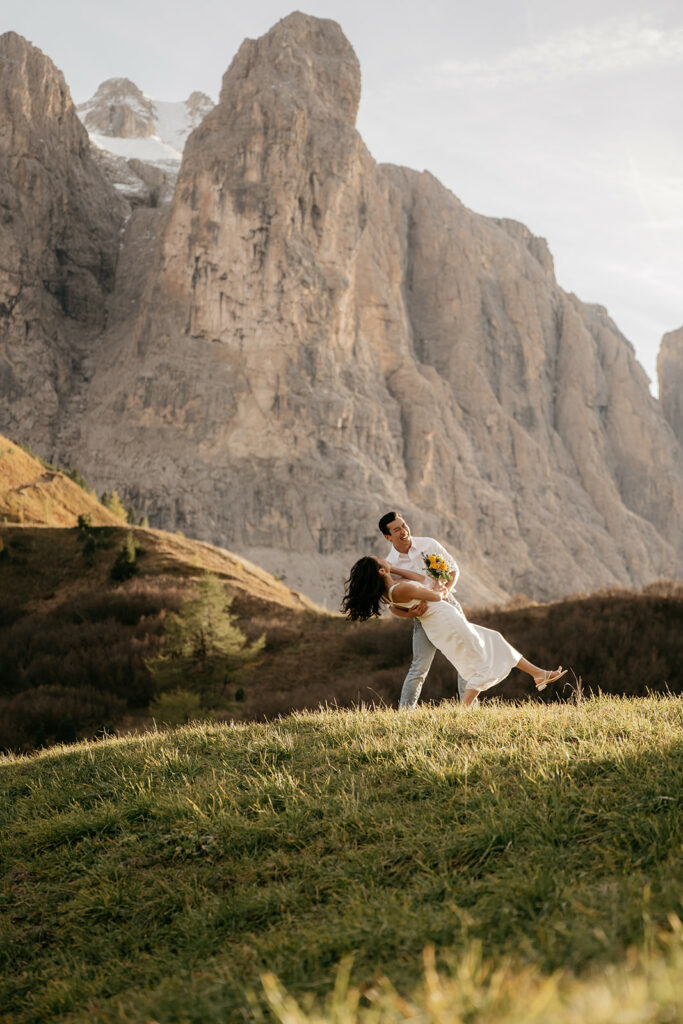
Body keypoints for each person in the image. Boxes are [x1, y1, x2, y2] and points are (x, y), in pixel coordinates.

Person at [341, 546, 567, 709]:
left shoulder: (390, 591)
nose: (383, 556)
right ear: (381, 571)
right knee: (477, 658)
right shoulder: (399, 590)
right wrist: (440, 581)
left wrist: (400, 588)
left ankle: (539, 674)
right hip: (446, 620)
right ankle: (464, 711)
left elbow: (403, 597)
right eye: (380, 559)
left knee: (493, 638)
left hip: (440, 623)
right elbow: (436, 596)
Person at [378, 512, 468, 708]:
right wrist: (410, 614)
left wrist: (445, 592)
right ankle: (405, 712)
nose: (403, 532)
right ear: (388, 537)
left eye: (404, 526)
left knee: (464, 657)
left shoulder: (429, 544)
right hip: (423, 617)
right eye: (396, 530)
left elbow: (453, 570)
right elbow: (393, 606)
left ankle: (469, 708)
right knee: (419, 667)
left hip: (449, 605)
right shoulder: (389, 565)